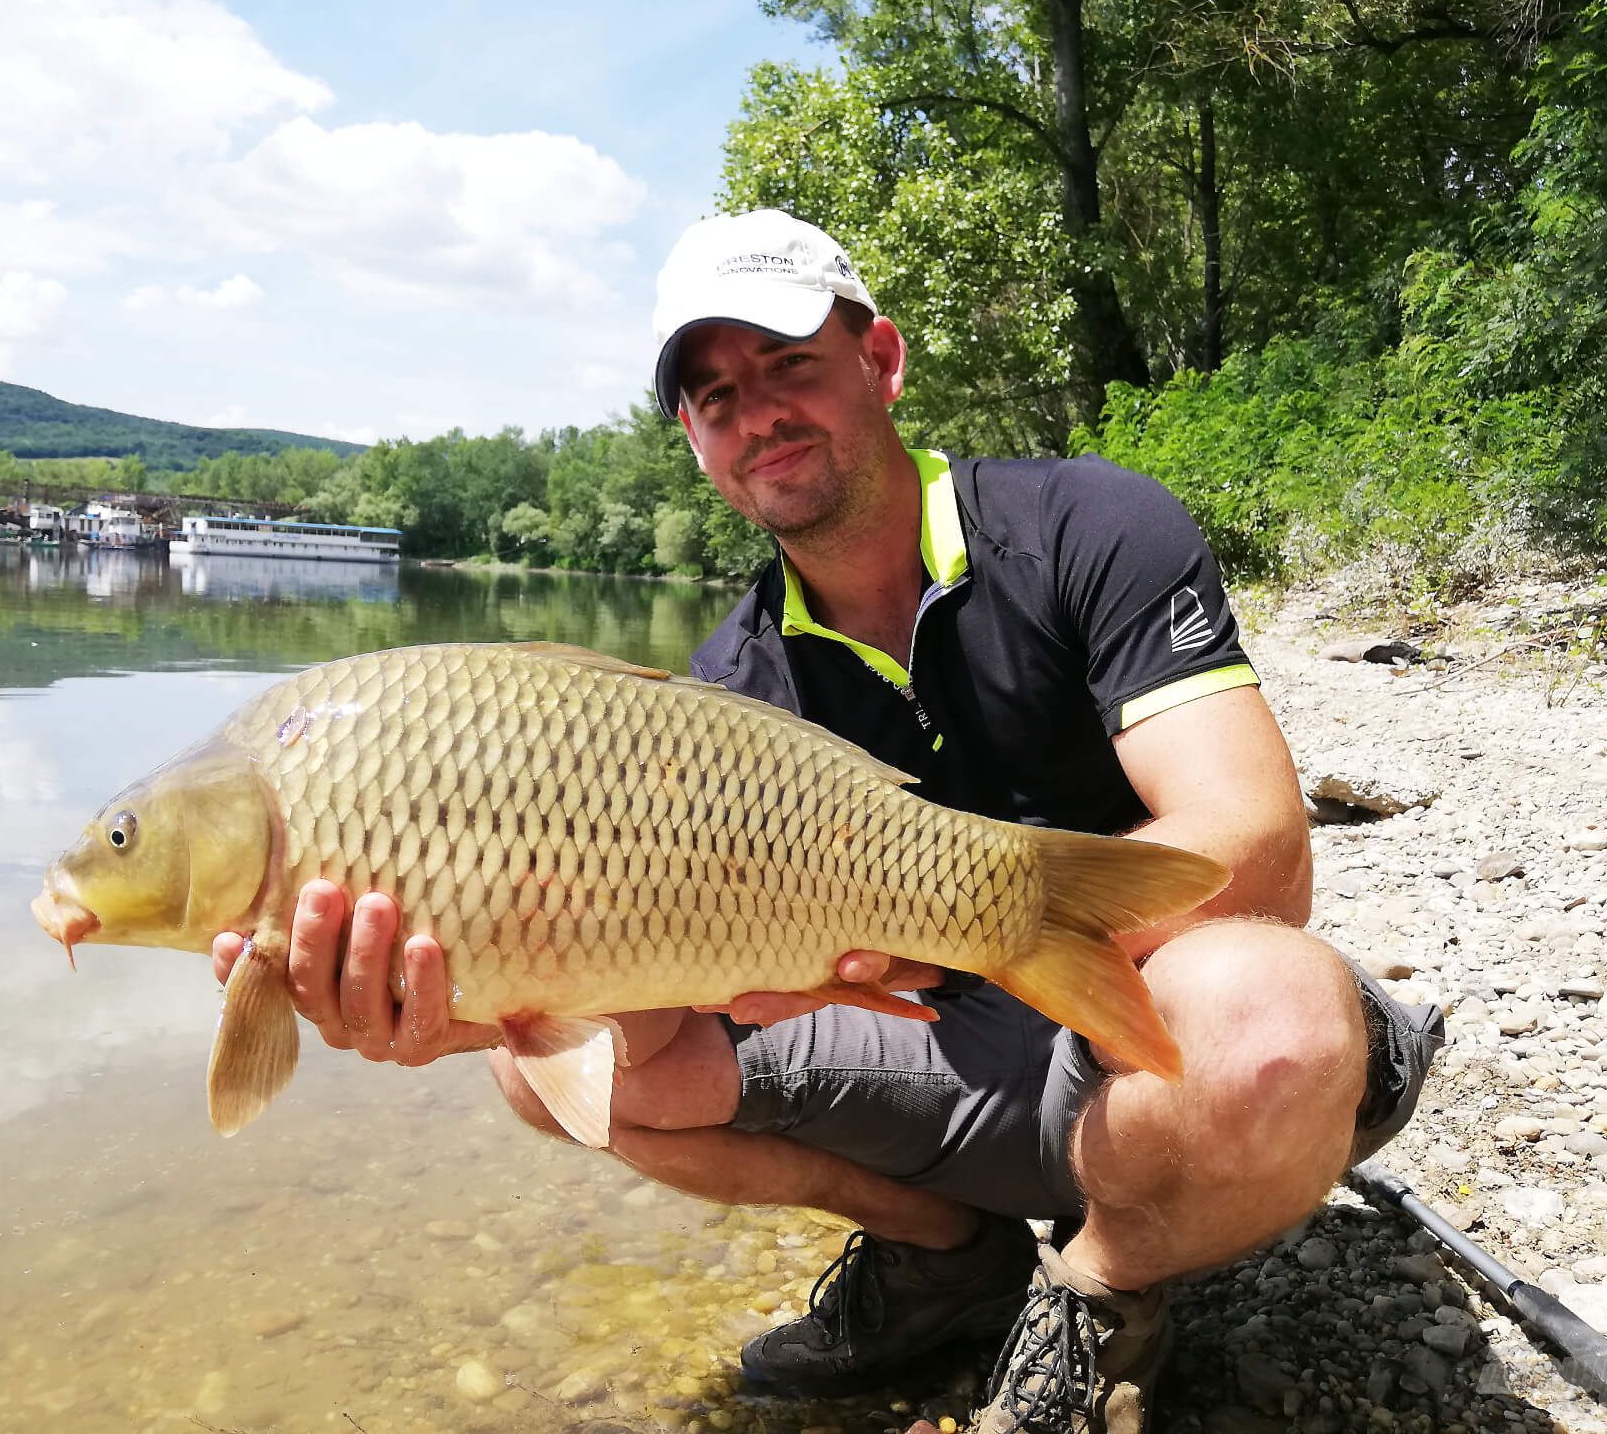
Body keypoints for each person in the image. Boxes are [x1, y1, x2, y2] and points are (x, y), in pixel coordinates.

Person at [211, 209, 1443, 1434]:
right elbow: (663, 1020)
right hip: (945, 1059)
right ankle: (946, 1260)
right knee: (550, 1081)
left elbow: (1263, 849)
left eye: (788, 364)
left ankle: (1102, 1293)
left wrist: (972, 923)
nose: (757, 416)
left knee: (1271, 1011)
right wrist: (491, 997)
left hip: (1168, 1049)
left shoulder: (1092, 527)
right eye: (713, 396)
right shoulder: (723, 691)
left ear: (882, 359)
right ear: (694, 440)